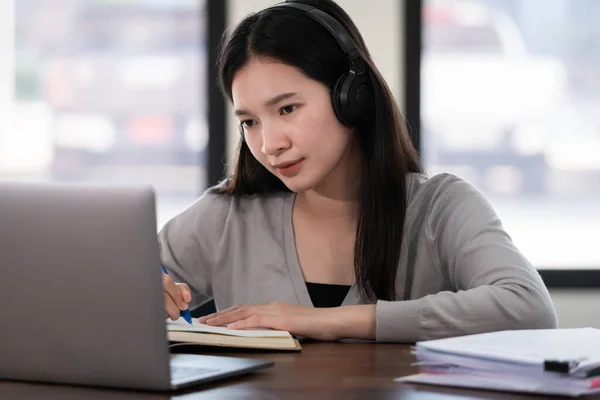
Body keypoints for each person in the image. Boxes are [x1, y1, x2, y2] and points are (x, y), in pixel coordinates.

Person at [159, 0, 557, 342]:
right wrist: (138, 293)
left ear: (352, 97)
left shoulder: (439, 206)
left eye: (287, 109)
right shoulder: (228, 215)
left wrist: (323, 322)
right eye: (250, 122)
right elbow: (123, 281)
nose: (269, 144)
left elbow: (529, 308)